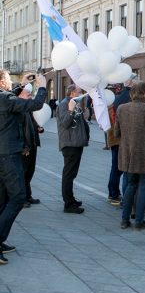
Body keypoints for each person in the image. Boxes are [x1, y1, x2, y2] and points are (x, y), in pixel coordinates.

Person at [0, 70, 46, 265]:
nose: (12, 83)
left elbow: (12, 101)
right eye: (10, 81)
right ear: (2, 82)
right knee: (18, 197)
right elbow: (33, 104)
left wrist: (22, 83)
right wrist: (43, 86)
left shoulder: (5, 98)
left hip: (4, 153)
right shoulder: (5, 98)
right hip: (8, 155)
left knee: (2, 199)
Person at [114, 82, 145, 230]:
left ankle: (125, 219)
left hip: (127, 154)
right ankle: (139, 221)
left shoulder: (122, 109)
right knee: (143, 186)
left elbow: (116, 133)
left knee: (130, 185)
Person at [56, 84, 90, 214]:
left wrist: (83, 107)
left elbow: (83, 120)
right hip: (70, 144)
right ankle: (68, 204)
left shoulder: (74, 103)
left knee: (72, 174)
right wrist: (71, 110)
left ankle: (71, 199)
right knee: (68, 174)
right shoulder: (65, 104)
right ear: (72, 93)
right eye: (80, 92)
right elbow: (65, 123)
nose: (81, 94)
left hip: (76, 143)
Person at [18, 84, 44, 208]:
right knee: (22, 173)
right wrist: (24, 146)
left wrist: (39, 128)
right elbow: (19, 130)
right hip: (25, 147)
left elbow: (33, 124)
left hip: (32, 144)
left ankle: (28, 195)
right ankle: (22, 199)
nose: (30, 97)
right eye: (28, 95)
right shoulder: (19, 109)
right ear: (21, 96)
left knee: (30, 172)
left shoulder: (28, 110)